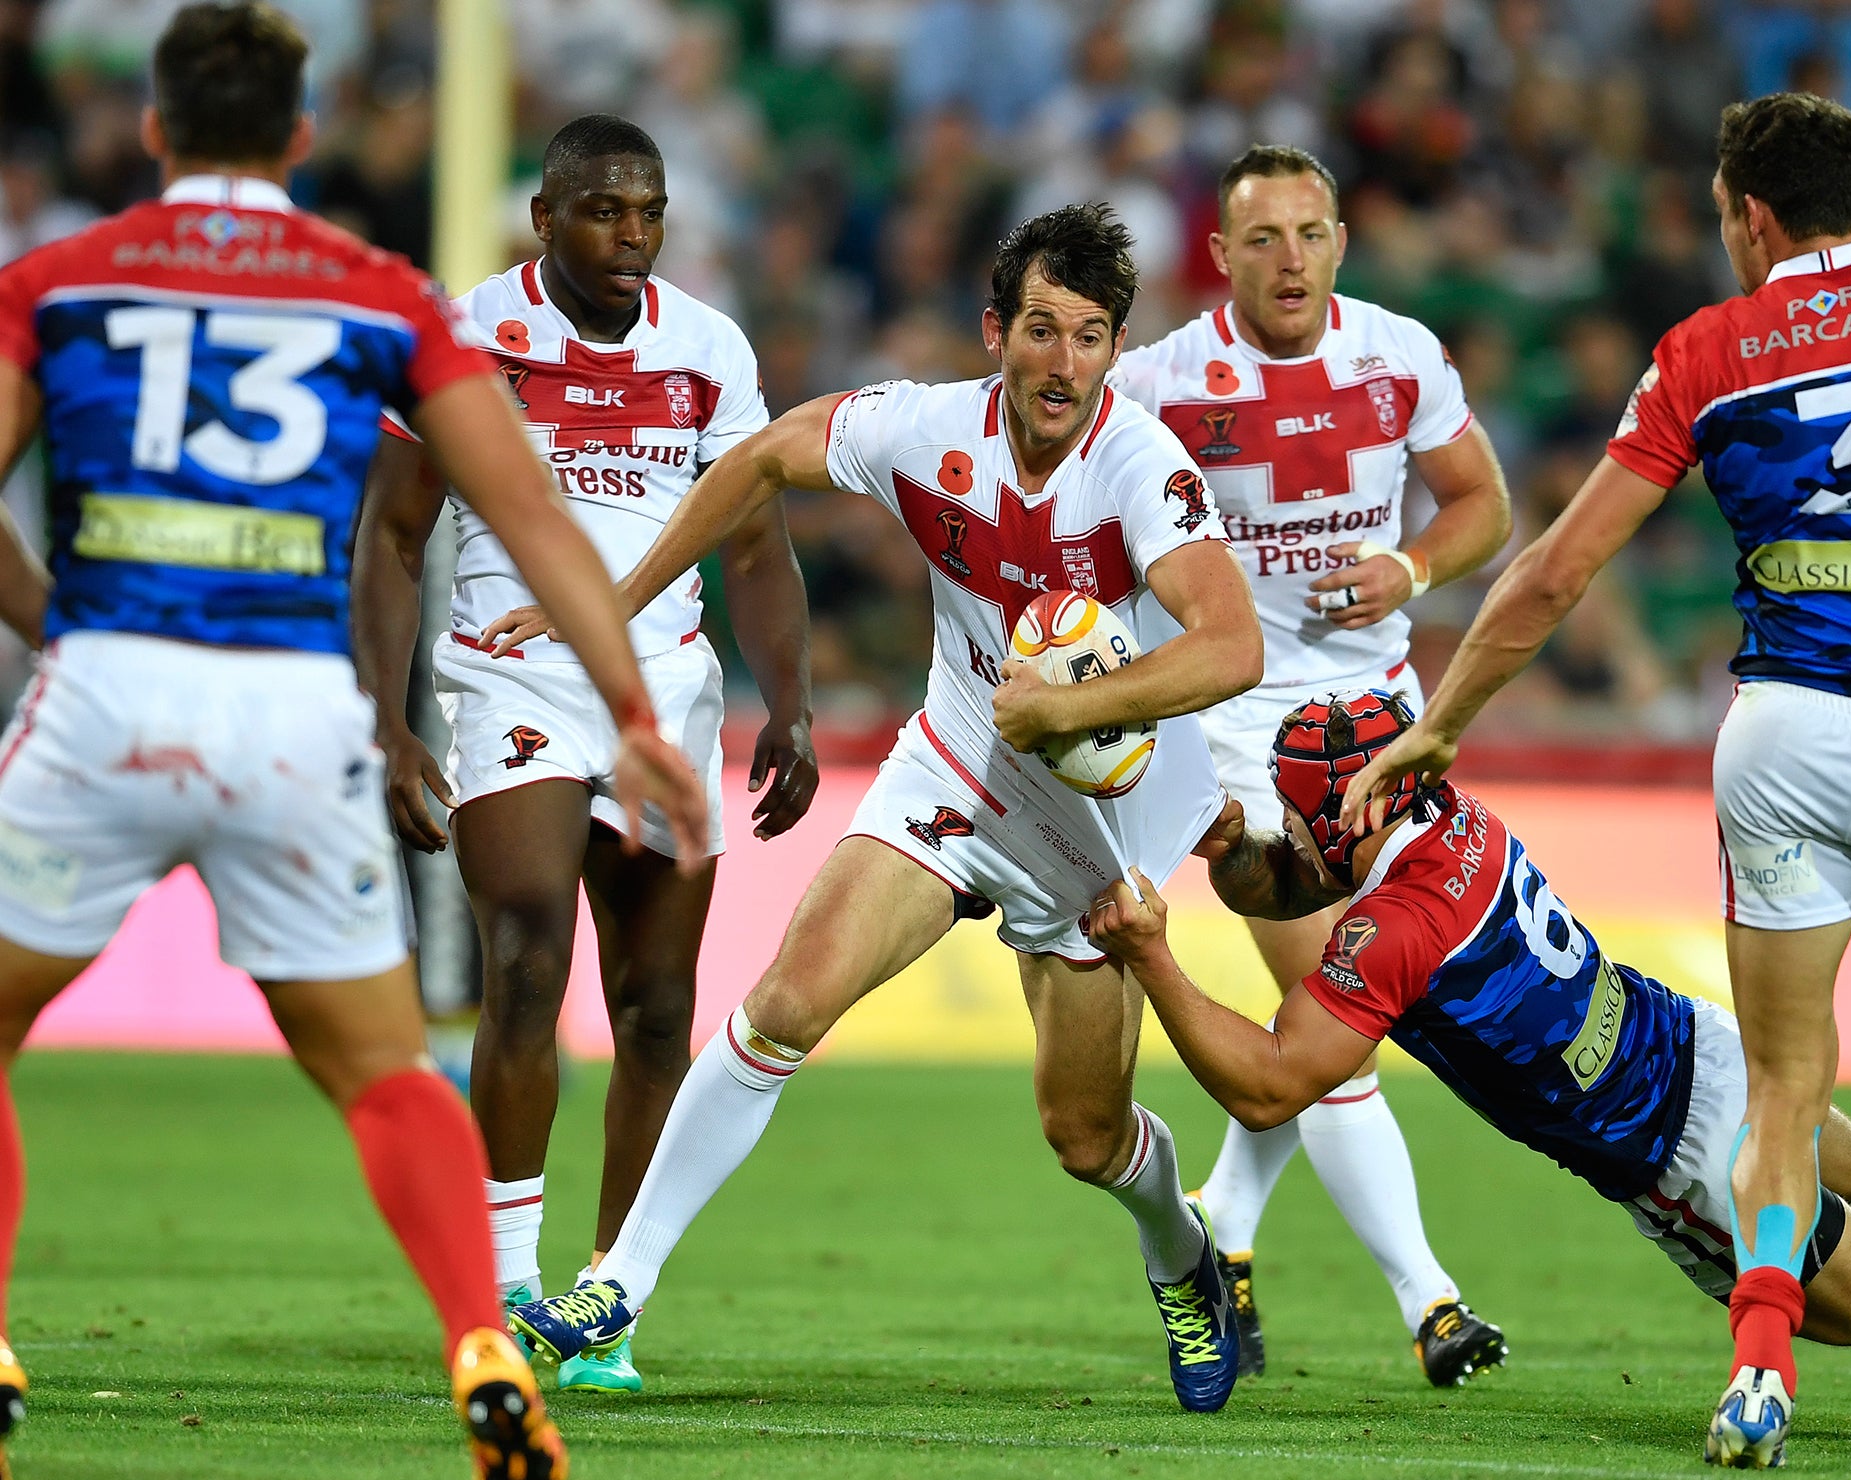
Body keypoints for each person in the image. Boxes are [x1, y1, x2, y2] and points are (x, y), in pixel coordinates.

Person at [0, 4, 707, 1480]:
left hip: (113, 685)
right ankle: (484, 1348)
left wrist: (58, 620)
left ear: (153, 129)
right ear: (303, 139)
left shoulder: (55, 280)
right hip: (293, 716)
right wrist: (638, 713)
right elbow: (520, 511)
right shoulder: (380, 291)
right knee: (388, 1070)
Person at [1345, 93, 1851, 1465]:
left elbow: (1556, 568)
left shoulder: (1708, 350)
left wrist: (1442, 721)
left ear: (1752, 216)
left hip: (1784, 731)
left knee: (1786, 1079)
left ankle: (1761, 1371)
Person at [497, 203, 1267, 1412]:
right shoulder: (918, 428)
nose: (1062, 363)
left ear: (1116, 349)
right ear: (993, 333)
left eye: (1089, 336)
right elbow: (754, 460)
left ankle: (1178, 1249)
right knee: (786, 1000)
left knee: (1082, 1135)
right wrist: (615, 592)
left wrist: (1072, 709)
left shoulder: (1140, 468)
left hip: (1094, 826)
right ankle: (618, 1282)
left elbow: (1233, 646)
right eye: (1040, 330)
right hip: (955, 767)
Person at [1086, 690, 1851, 1442]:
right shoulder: (1452, 817)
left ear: (1355, 808)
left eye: (1299, 812)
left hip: (1672, 1150)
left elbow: (1269, 1088)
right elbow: (1302, 878)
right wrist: (1230, 847)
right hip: (1688, 1042)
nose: (1292, 831)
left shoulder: (1395, 931)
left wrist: (1153, 958)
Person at [356, 113, 817, 1395]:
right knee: (522, 955)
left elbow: (755, 546)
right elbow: (395, 536)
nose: (633, 236)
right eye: (607, 211)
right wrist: (389, 720)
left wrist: (788, 700)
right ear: (544, 216)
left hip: (664, 684)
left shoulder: (709, 350)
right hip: (508, 674)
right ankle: (506, 1286)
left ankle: (604, 1302)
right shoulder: (465, 334)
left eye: (650, 211)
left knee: (659, 1010)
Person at [1112, 141, 1512, 1383]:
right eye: (1263, 239)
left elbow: (1481, 506)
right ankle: (1430, 1301)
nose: (1290, 259)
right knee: (1331, 1007)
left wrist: (1411, 568)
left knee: (1340, 1012)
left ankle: (1224, 1228)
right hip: (1233, 729)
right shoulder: (1156, 382)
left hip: (1378, 725)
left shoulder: (1397, 356)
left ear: (1340, 240)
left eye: (1311, 233)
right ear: (1220, 254)